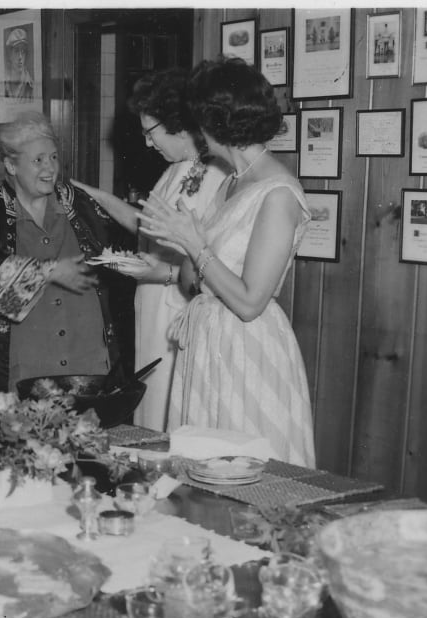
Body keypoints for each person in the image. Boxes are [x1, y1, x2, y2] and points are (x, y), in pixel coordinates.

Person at [138, 58, 316, 466]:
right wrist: (184, 244)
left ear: (218, 124)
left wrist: (196, 248)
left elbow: (251, 302)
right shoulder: (232, 182)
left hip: (248, 351)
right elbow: (195, 282)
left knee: (247, 470)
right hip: (209, 342)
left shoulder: (278, 193)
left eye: (199, 119)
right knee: (204, 468)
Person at [72, 68, 226, 431]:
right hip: (154, 304)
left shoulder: (216, 175)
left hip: (181, 307)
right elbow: (148, 226)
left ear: (178, 123)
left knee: (173, 408)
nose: (146, 143)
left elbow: (215, 257)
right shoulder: (174, 171)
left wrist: (164, 273)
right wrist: (90, 193)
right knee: (152, 402)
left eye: (149, 132)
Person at [0, 112, 124, 392]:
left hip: (87, 363)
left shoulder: (78, 205)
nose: (50, 168)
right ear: (11, 165)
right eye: (38, 160)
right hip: (23, 367)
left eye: (54, 157)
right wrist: (49, 271)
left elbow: (123, 250)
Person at [3, 27, 34, 101]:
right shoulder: (4, 83)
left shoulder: (31, 85)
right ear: (10, 55)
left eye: (23, 51)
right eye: (16, 51)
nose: (20, 57)